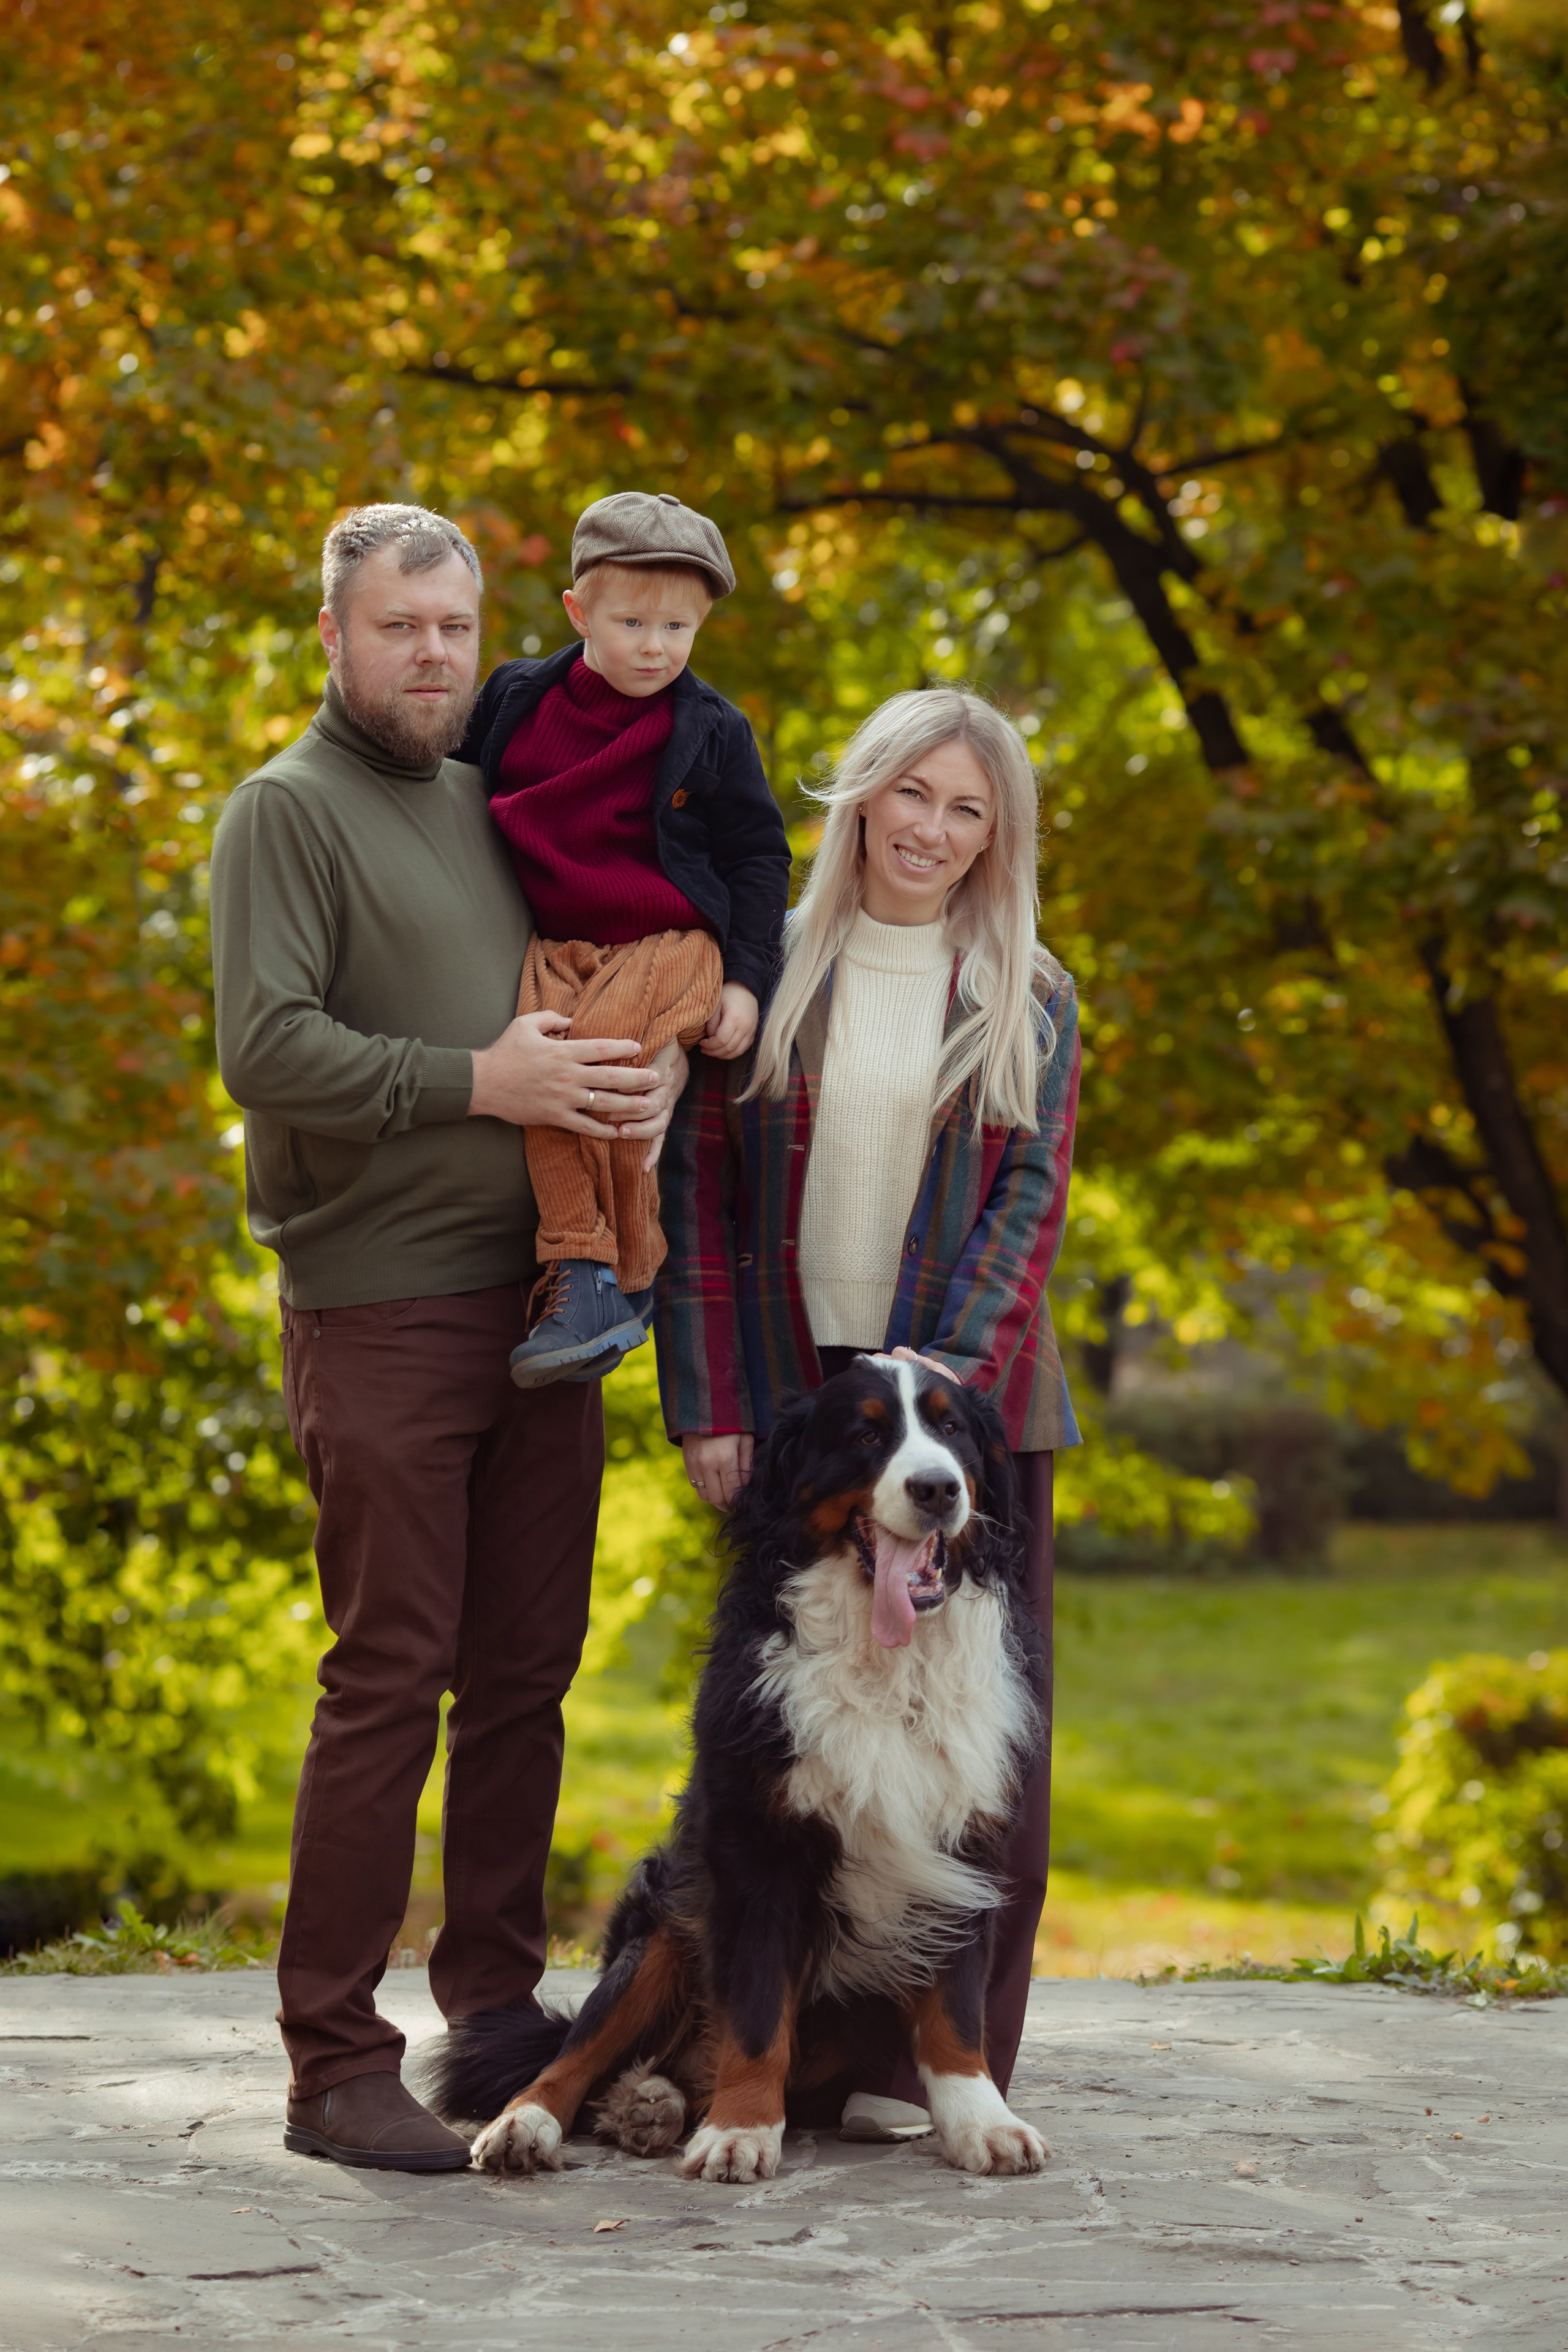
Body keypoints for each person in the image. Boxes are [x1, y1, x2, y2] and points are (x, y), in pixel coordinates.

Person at [211, 503, 685, 2173]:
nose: (431, 655)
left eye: (454, 628)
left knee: (526, 1678)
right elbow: (266, 1047)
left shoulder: (498, 798)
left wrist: (632, 1075)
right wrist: (485, 1081)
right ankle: (334, 2065)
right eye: (397, 625)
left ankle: (492, 2023)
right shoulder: (286, 811)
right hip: (383, 1305)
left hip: (552, 1303)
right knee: (390, 1677)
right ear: (333, 636)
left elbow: (590, 971)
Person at [655, 685, 1080, 2133]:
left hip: (967, 1414)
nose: (933, 831)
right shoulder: (763, 973)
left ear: (995, 838)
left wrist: (947, 1380)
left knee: (976, 1749)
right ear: (860, 797)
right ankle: (787, 2043)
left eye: (968, 811)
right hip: (807, 1410)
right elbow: (698, 1200)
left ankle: (947, 2068)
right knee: (789, 1745)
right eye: (913, 795)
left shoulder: (1028, 994)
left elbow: (1028, 1205)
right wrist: (713, 1401)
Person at [459, 491, 791, 1390]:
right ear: (579, 612)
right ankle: (593, 1277)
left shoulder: (712, 729)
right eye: (633, 622)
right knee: (546, 1075)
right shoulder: (517, 700)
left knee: (599, 1061)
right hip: (558, 941)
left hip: (669, 939)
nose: (656, 647)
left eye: (678, 627)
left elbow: (759, 856)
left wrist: (747, 982)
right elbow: (447, 794)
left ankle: (614, 1269)